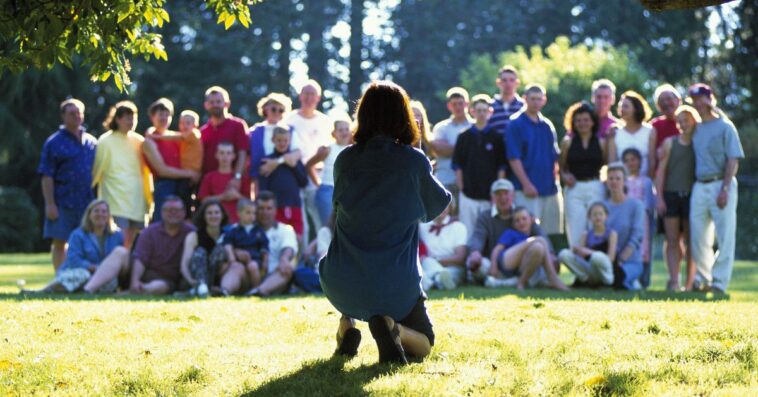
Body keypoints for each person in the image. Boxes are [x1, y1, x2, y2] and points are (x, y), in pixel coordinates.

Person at [319, 81, 451, 365]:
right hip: (395, 286)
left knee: (353, 251)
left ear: (362, 115)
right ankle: (392, 327)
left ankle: (347, 327)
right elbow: (436, 207)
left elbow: (341, 207)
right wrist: (417, 155)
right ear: (404, 117)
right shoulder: (413, 162)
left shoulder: (344, 160)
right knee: (425, 344)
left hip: (341, 280)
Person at [688, 83, 744, 293]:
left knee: (725, 236)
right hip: (699, 185)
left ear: (710, 98)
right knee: (698, 237)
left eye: (701, 98)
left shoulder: (725, 126)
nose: (698, 103)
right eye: (694, 99)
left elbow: (733, 159)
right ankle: (703, 279)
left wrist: (725, 188)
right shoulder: (696, 128)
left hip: (722, 183)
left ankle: (719, 282)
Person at [38, 98, 97, 270]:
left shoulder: (92, 142)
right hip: (62, 201)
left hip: (87, 203)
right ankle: (61, 280)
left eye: (79, 112)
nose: (76, 116)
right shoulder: (53, 143)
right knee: (60, 242)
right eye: (72, 113)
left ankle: (83, 280)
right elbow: (46, 175)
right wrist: (50, 204)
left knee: (86, 242)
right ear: (63, 116)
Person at [26, 200, 129, 294]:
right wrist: (92, 267)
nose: (100, 214)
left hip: (101, 276)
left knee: (111, 281)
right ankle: (43, 291)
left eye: (104, 211)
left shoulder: (117, 235)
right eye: (96, 211)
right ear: (89, 215)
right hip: (79, 271)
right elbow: (73, 259)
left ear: (108, 215)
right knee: (82, 275)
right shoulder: (78, 235)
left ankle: (80, 290)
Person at [466, 179, 556, 285]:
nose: (503, 198)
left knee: (540, 252)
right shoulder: (485, 217)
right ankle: (519, 281)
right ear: (492, 197)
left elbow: (539, 231)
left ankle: (502, 282)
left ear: (513, 195)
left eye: (506, 193)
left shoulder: (522, 213)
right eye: (498, 194)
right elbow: (478, 237)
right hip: (494, 263)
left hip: (522, 262)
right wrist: (475, 252)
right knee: (478, 264)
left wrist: (550, 252)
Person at [92, 100, 151, 249]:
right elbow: (97, 169)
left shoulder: (139, 140)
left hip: (137, 199)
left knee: (137, 241)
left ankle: (130, 271)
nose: (131, 121)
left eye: (133, 117)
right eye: (127, 117)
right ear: (117, 119)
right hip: (115, 198)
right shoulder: (105, 140)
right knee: (119, 240)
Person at [506, 84, 563, 234]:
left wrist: (556, 181)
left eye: (539, 99)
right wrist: (526, 184)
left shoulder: (547, 125)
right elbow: (513, 157)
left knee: (551, 233)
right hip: (526, 189)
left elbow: (554, 157)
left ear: (544, 100)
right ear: (525, 99)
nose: (536, 102)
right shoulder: (515, 123)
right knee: (529, 233)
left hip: (549, 189)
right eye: (533, 99)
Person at [656, 105, 698, 291]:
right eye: (679, 121)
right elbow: (661, 171)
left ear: (694, 120)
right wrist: (659, 197)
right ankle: (674, 281)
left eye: (686, 120)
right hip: (671, 195)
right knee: (672, 240)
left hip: (692, 197)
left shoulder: (699, 143)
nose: (682, 124)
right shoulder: (669, 143)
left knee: (691, 242)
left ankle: (689, 283)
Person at [452, 94, 507, 238]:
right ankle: (467, 260)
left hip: (489, 194)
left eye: (484, 110)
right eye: (479, 110)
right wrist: (461, 186)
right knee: (467, 231)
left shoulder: (496, 137)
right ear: (472, 112)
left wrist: (498, 189)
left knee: (489, 232)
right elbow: (457, 164)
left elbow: (502, 166)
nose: (481, 113)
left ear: (490, 112)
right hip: (468, 193)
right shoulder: (464, 136)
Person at [284, 80, 333, 233]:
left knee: (321, 220)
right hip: (294, 173)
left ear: (318, 98)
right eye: (306, 93)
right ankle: (301, 254)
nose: (309, 97)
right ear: (300, 96)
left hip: (317, 175)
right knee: (299, 220)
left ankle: (323, 254)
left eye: (312, 94)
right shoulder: (289, 119)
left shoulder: (325, 121)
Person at [142, 98, 200, 222]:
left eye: (166, 115)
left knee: (184, 221)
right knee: (163, 222)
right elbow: (162, 170)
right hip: (165, 185)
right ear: (152, 117)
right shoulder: (149, 141)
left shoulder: (176, 137)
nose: (163, 118)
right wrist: (190, 173)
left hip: (183, 186)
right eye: (160, 114)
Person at [486, 207, 569, 291]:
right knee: (540, 240)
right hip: (506, 261)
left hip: (520, 268)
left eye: (524, 219)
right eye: (517, 220)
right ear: (513, 224)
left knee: (538, 247)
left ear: (531, 220)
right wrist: (493, 265)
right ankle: (552, 277)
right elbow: (497, 249)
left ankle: (521, 282)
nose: (521, 222)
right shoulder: (510, 233)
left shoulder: (531, 236)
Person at [559, 102, 607, 247]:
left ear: (593, 122)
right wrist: (565, 176)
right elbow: (561, 168)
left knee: (596, 227)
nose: (582, 123)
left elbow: (607, 166)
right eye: (578, 120)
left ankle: (595, 263)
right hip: (574, 190)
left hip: (596, 187)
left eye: (586, 120)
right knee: (576, 230)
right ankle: (578, 265)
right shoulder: (567, 143)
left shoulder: (601, 143)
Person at [130, 196, 195, 295]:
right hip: (149, 274)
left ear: (184, 213)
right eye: (169, 210)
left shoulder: (191, 232)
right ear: (162, 212)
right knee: (119, 252)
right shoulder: (149, 232)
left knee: (159, 287)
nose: (173, 213)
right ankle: (134, 288)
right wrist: (134, 281)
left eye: (177, 210)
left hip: (170, 280)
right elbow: (140, 258)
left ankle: (137, 291)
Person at [179, 200, 245, 297]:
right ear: (204, 216)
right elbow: (184, 264)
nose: (213, 216)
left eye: (216, 213)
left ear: (222, 215)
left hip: (221, 278)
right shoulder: (193, 236)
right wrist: (191, 281)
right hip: (197, 277)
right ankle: (200, 287)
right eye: (209, 213)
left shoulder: (230, 234)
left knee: (220, 251)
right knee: (200, 252)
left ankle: (218, 290)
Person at [200, 86, 249, 207]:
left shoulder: (237, 125)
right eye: (212, 102)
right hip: (210, 184)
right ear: (206, 105)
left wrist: (237, 177)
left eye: (218, 101)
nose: (215, 105)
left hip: (232, 183)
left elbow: (243, 153)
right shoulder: (203, 131)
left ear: (226, 103)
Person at [258, 127, 309, 239]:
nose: (282, 143)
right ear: (273, 140)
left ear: (290, 140)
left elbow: (304, 182)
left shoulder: (295, 161)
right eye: (279, 140)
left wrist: (294, 166)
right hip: (276, 207)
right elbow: (263, 187)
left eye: (285, 140)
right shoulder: (267, 161)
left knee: (297, 238)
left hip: (294, 205)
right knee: (277, 236)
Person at [246, 191, 299, 297]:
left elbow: (289, 248)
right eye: (261, 208)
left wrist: (284, 259)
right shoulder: (246, 229)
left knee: (287, 268)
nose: (265, 212)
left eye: (269, 208)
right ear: (255, 210)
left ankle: (259, 291)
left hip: (275, 274)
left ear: (275, 210)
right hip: (250, 273)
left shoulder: (285, 229)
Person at [249, 92, 303, 193]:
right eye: (274, 109)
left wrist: (276, 163)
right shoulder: (254, 131)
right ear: (265, 109)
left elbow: (297, 153)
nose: (277, 112)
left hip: (285, 181)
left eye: (281, 110)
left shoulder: (290, 130)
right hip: (262, 181)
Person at [306, 112, 354, 225]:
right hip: (328, 191)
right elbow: (309, 165)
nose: (344, 132)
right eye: (340, 130)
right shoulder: (327, 150)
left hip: (348, 191)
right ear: (334, 133)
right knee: (329, 227)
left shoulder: (354, 149)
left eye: (346, 129)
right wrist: (318, 184)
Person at [604, 162, 645, 290]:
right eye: (611, 178)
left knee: (616, 279)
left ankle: (629, 282)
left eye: (618, 178)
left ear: (624, 181)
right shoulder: (602, 206)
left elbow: (637, 236)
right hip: (606, 262)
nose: (614, 182)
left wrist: (620, 261)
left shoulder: (636, 206)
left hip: (630, 262)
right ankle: (629, 283)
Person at [558, 202, 617, 287]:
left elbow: (611, 258)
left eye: (601, 214)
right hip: (590, 268)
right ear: (589, 217)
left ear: (606, 216)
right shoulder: (586, 234)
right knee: (563, 254)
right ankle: (586, 280)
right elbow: (582, 257)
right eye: (595, 214)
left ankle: (606, 283)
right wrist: (576, 250)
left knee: (597, 257)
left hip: (605, 269)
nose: (598, 217)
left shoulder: (612, 234)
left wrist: (589, 252)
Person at [431, 87, 472, 209]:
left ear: (467, 104)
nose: (458, 107)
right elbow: (439, 150)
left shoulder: (474, 126)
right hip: (445, 179)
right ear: (449, 106)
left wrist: (450, 148)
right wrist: (467, 148)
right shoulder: (441, 127)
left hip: (468, 182)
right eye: (455, 104)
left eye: (461, 103)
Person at [622, 148, 656, 288]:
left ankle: (644, 280)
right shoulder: (622, 181)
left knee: (643, 249)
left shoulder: (646, 181)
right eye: (627, 160)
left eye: (633, 160)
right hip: (626, 219)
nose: (630, 163)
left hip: (642, 220)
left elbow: (649, 204)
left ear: (640, 162)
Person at [198, 141, 252, 224]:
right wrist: (222, 197)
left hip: (238, 224)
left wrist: (237, 196)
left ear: (233, 156)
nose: (225, 156)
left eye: (228, 153)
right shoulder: (209, 177)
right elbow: (203, 201)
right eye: (222, 153)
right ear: (216, 155)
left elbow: (250, 203)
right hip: (217, 223)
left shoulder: (242, 178)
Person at [419, 200, 467, 291]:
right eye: (438, 204)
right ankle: (438, 279)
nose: (442, 208)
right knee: (427, 262)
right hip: (428, 265)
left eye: (445, 205)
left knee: (450, 274)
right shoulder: (422, 227)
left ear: (450, 207)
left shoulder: (458, 227)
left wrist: (437, 261)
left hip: (452, 267)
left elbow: (460, 258)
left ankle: (431, 281)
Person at [607, 90, 656, 178]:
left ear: (636, 109)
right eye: (620, 106)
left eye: (626, 106)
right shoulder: (614, 133)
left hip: (644, 184)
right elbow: (612, 163)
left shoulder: (650, 131)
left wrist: (647, 183)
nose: (622, 109)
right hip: (621, 186)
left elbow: (652, 162)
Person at [223, 199, 269, 290]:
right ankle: (227, 288)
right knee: (234, 268)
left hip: (255, 260)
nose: (252, 216)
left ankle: (256, 289)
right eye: (248, 213)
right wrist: (232, 258)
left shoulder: (258, 231)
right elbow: (228, 244)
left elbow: (264, 247)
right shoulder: (234, 231)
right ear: (239, 213)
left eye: (254, 213)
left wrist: (265, 262)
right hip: (239, 261)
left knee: (252, 266)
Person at [487, 65, 524, 135]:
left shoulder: (524, 106)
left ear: (517, 83)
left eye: (511, 80)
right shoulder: (489, 106)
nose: (508, 84)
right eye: (504, 80)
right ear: (498, 82)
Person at [651, 84, 683, 154]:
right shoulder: (655, 125)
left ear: (678, 100)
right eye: (661, 101)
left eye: (669, 99)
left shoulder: (688, 121)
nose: (665, 103)